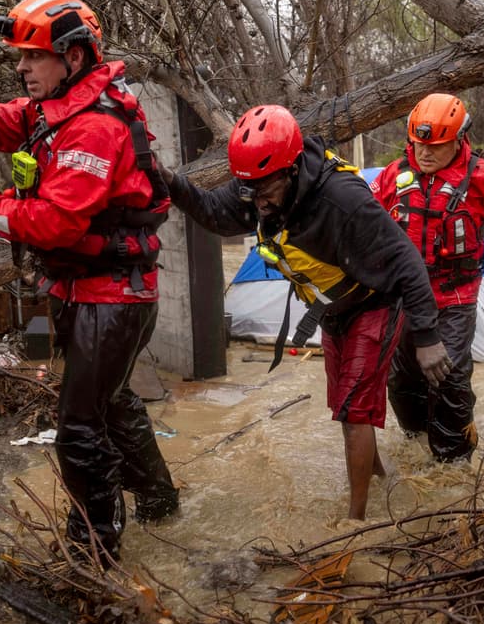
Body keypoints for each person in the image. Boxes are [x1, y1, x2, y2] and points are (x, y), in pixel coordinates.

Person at [0, 0, 179, 562]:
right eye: (22, 56)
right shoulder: (51, 113)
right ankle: (161, 505)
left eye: (33, 56)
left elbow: (56, 224)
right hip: (78, 287)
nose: (22, 66)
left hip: (114, 296)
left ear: (73, 57)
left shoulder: (94, 128)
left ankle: (94, 552)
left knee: (79, 427)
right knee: (107, 403)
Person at [159, 104, 452, 520]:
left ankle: (355, 523)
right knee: (346, 408)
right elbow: (216, 214)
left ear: (292, 170)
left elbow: (407, 260)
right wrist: (173, 183)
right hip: (335, 311)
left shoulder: (343, 201)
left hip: (377, 302)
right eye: (250, 190)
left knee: (354, 411)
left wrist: (427, 338)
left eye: (266, 191)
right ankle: (385, 480)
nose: (257, 202)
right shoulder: (257, 185)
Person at [370, 93, 484, 463]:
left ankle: (453, 466)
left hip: (453, 301)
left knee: (448, 379)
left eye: (435, 146)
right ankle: (416, 444)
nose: (424, 153)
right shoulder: (394, 175)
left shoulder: (483, 178)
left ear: (458, 139)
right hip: (403, 300)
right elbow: (360, 219)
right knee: (399, 381)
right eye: (418, 143)